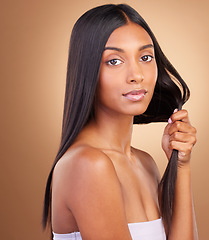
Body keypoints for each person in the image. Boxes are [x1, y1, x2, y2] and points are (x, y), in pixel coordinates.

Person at [43, 4, 198, 240]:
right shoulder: (87, 165)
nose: (137, 74)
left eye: (146, 57)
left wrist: (181, 167)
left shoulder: (145, 163)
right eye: (114, 61)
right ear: (88, 70)